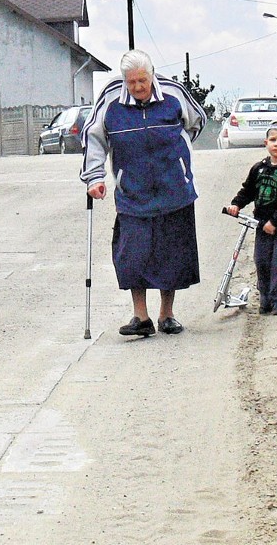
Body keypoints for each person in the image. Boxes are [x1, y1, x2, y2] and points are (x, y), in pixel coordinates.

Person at [81, 49, 206, 338]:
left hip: (174, 189)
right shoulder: (112, 99)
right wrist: (95, 177)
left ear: (152, 75)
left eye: (143, 81)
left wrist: (179, 157)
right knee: (132, 255)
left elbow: (196, 122)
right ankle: (141, 316)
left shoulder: (174, 94)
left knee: (172, 254)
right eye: (131, 81)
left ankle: (167, 314)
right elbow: (94, 138)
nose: (137, 87)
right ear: (124, 79)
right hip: (132, 192)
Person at [225, 118, 277, 315]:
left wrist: (275, 221)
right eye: (273, 139)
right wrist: (236, 204)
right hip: (262, 225)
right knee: (262, 262)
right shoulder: (259, 168)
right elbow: (248, 190)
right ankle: (266, 298)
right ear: (266, 143)